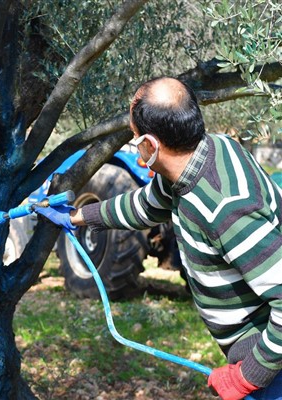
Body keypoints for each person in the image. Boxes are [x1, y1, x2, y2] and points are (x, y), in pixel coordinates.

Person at [36, 77, 282, 400]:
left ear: (151, 145)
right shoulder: (202, 156)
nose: (135, 145)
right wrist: (78, 216)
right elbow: (143, 206)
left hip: (272, 368)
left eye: (136, 138)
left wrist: (247, 377)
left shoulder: (226, 209)